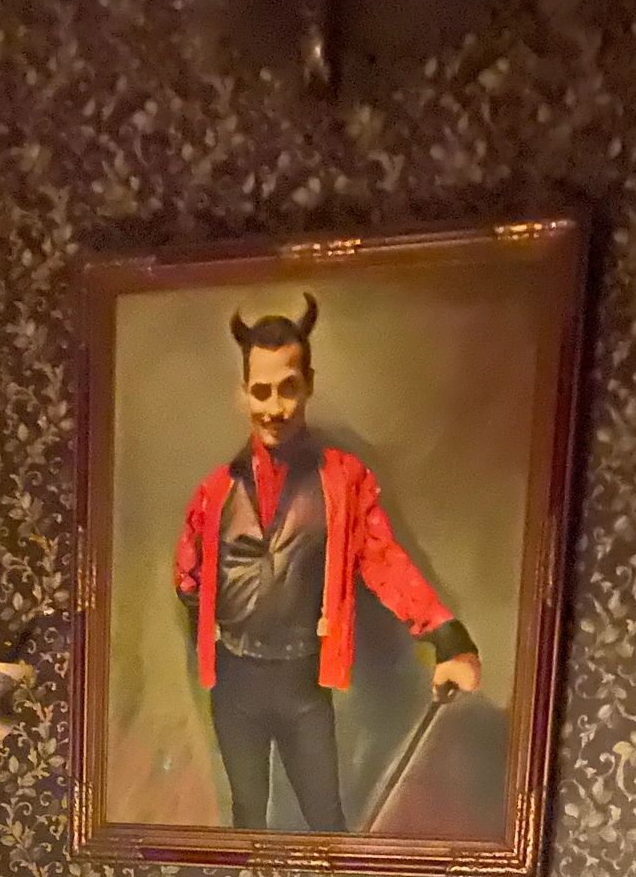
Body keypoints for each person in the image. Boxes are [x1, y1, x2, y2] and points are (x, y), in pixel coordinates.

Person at [173, 294, 480, 831]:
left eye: (288, 388)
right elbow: (188, 577)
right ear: (243, 393)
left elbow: (384, 560)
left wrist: (448, 637)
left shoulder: (343, 482)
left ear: (308, 384)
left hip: (301, 681)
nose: (275, 408)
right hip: (235, 682)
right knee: (246, 820)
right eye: (261, 391)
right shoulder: (214, 492)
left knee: (326, 821)